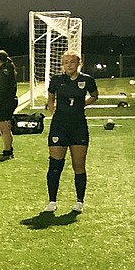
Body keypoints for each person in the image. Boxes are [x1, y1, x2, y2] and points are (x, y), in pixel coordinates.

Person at [43, 50, 98, 213]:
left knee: (78, 165)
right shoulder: (57, 80)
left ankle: (79, 201)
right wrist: (52, 110)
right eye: (66, 62)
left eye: (72, 62)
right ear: (62, 65)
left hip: (78, 127)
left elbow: (94, 95)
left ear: (78, 64)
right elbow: (51, 96)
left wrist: (83, 105)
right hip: (59, 126)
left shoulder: (86, 80)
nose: (68, 65)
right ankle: (52, 202)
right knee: (55, 165)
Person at [0, 50, 18, 160]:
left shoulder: (5, 72)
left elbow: (3, 91)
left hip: (6, 102)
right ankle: (7, 149)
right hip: (7, 101)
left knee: (5, 127)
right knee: (1, 126)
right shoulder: (5, 69)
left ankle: (8, 151)